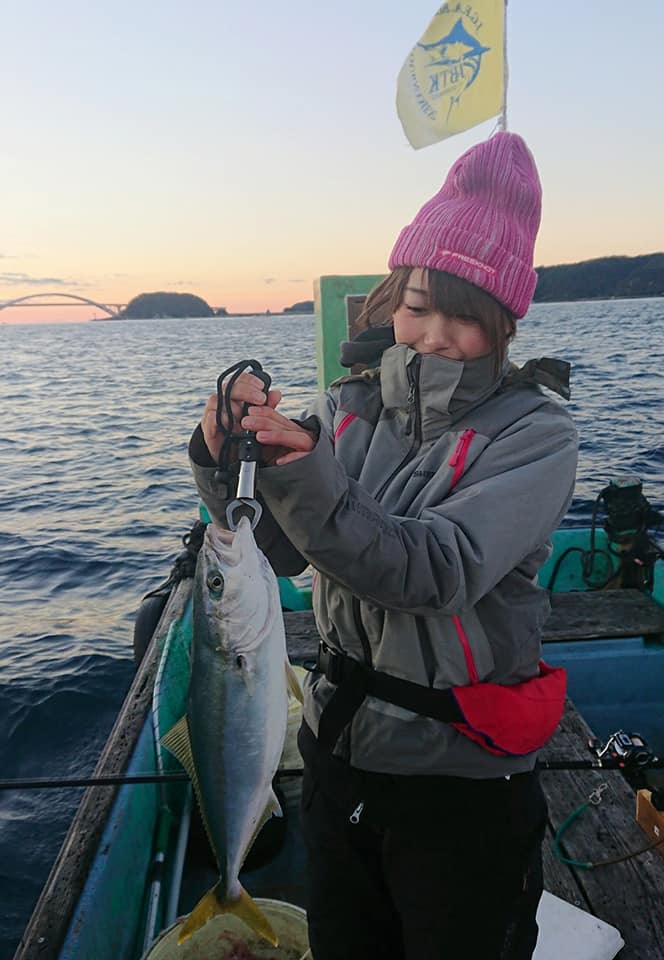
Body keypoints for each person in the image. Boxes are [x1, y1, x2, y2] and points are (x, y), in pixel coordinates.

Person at [189, 131, 579, 960]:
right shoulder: (348, 409)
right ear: (390, 298)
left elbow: (435, 569)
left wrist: (308, 478)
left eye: (465, 316)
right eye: (417, 305)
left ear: (504, 323)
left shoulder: (536, 435)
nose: (434, 333)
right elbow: (283, 555)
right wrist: (226, 463)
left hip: (461, 779)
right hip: (340, 755)